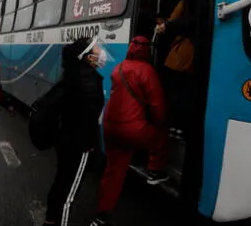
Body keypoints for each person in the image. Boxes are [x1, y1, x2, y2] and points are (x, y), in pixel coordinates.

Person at [89, 36, 168, 226]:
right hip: (133, 130)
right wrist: (161, 123)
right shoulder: (147, 70)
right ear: (147, 51)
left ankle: (101, 217)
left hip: (110, 127)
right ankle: (155, 171)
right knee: (160, 136)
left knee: (113, 173)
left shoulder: (120, 68)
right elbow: (157, 106)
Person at [44, 36, 108, 226]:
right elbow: (87, 118)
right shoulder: (89, 80)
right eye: (96, 50)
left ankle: (49, 220)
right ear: (88, 57)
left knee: (61, 182)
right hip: (79, 145)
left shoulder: (73, 74)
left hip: (66, 139)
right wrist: (89, 145)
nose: (101, 53)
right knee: (69, 193)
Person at [155, 0, 196, 140]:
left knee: (178, 91)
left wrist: (167, 26)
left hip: (185, 52)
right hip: (184, 52)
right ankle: (177, 126)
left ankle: (175, 126)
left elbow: (185, 21)